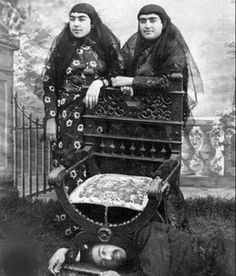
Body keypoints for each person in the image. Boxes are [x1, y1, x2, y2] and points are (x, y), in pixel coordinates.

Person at [43, 3, 120, 193]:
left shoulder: (104, 47)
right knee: (68, 158)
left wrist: (101, 82)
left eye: (82, 19)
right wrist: (51, 118)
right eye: (72, 18)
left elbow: (118, 74)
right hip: (68, 115)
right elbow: (49, 84)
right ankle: (69, 213)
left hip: (98, 114)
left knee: (96, 159)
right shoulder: (62, 48)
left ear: (92, 23)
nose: (76, 24)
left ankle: (93, 213)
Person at [48, 220, 235, 276]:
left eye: (103, 251)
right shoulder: (135, 261)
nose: (108, 257)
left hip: (217, 255)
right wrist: (67, 252)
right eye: (104, 262)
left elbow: (156, 273)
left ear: (109, 241)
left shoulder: (144, 232)